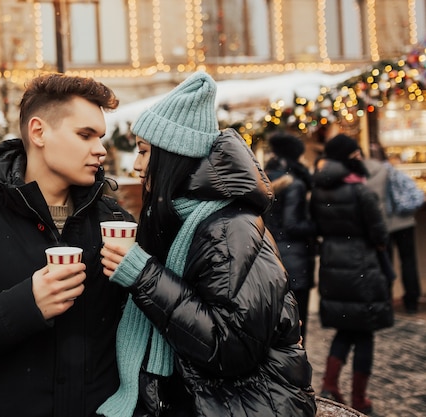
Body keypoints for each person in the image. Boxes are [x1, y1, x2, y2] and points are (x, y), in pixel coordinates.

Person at [97, 71, 316, 417]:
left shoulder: (230, 228)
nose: (137, 166)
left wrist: (143, 275)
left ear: (172, 156)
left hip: (248, 405)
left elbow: (230, 347)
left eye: (143, 152)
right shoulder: (182, 218)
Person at [0, 73, 134, 417]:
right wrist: (27, 303)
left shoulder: (117, 223)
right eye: (85, 135)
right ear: (39, 132)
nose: (100, 149)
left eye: (100, 136)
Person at [310, 134, 394, 414]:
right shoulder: (360, 190)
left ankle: (329, 383)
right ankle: (360, 399)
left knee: (346, 327)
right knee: (365, 333)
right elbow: (379, 232)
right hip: (362, 266)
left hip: (334, 264)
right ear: (348, 157)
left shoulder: (319, 189)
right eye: (356, 154)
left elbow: (316, 226)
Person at [263, 132, 317, 342]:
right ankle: (297, 368)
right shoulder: (295, 184)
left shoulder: (263, 179)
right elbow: (293, 224)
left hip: (271, 257)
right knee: (298, 324)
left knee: (278, 325)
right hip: (294, 259)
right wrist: (316, 226)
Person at [364, 153, 422, 314]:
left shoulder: (367, 175)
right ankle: (411, 301)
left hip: (384, 226)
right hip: (405, 222)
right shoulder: (392, 171)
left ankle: (386, 302)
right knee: (408, 262)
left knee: (386, 264)